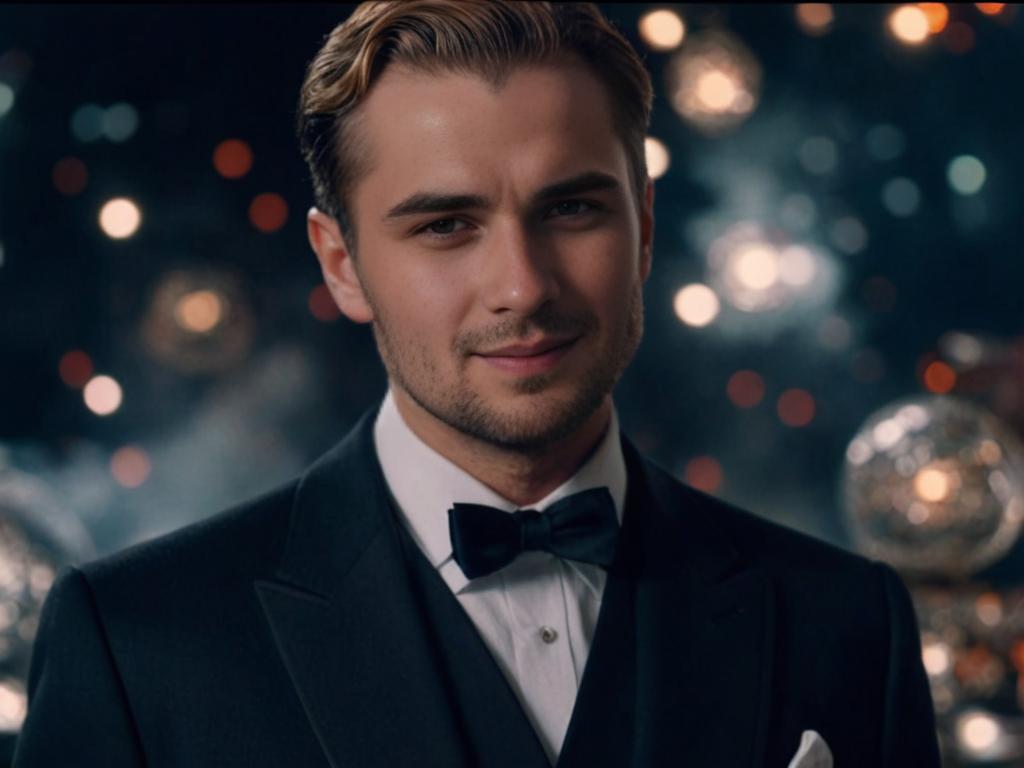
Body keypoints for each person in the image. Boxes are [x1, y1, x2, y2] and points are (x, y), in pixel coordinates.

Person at [14, 3, 941, 766]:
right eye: (447, 225)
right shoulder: (139, 644)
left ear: (646, 227)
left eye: (572, 208)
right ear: (341, 264)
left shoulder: (848, 620)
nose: (524, 286)